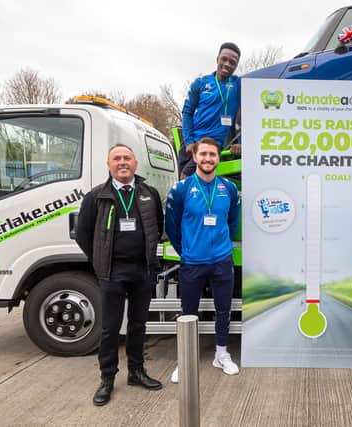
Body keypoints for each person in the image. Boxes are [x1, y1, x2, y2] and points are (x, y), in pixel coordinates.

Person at [75, 144, 164, 406]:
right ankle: (107, 378)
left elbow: (157, 226)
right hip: (112, 272)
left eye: (127, 158)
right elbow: (83, 235)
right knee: (110, 328)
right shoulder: (96, 197)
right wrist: (100, 260)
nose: (122, 162)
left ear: (136, 164)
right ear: (109, 164)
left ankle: (136, 372)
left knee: (138, 325)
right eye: (117, 158)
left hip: (142, 270)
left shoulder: (150, 194)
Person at [165, 137, 240, 381]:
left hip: (221, 261)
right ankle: (185, 360)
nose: (208, 159)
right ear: (195, 157)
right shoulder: (181, 189)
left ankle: (221, 354)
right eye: (203, 154)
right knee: (188, 312)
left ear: (218, 158)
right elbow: (173, 227)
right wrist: (187, 250)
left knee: (223, 309)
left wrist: (221, 245)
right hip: (192, 262)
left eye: (213, 155)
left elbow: (232, 222)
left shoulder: (228, 188)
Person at [179, 42, 242, 178]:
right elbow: (187, 113)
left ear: (236, 65)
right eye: (224, 59)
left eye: (232, 62)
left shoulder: (239, 85)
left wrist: (240, 142)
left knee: (196, 182)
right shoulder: (200, 83)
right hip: (193, 144)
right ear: (217, 59)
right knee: (184, 182)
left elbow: (250, 113)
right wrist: (189, 141)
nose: (227, 64)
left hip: (214, 146)